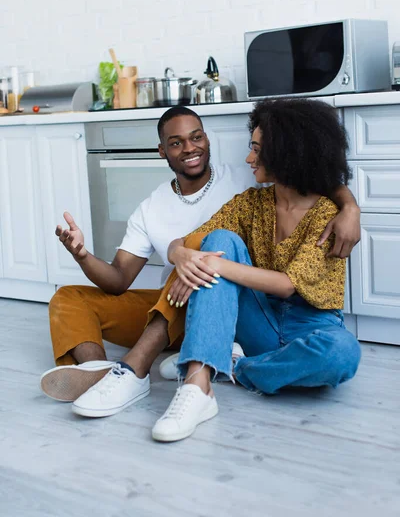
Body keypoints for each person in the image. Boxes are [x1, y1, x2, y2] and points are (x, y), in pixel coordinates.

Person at [40, 104, 360, 419]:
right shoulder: (156, 207)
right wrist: (87, 255)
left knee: (340, 352)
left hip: (226, 302)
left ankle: (214, 366)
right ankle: (101, 370)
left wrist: (350, 207)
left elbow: (310, 169)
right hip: (194, 303)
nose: (189, 148)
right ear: (162, 151)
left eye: (196, 138)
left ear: (207, 139)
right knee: (68, 296)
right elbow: (120, 278)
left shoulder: (245, 180)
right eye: (176, 143)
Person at [151, 98, 362, 443]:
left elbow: (287, 285)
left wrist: (215, 263)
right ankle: (198, 386)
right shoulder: (251, 203)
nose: (249, 158)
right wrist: (177, 253)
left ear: (288, 153)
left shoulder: (328, 213)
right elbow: (192, 240)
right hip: (258, 319)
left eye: (257, 150)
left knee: (342, 352)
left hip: (310, 326)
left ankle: (231, 365)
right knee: (220, 239)